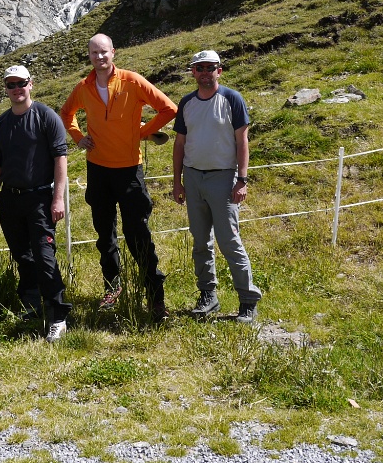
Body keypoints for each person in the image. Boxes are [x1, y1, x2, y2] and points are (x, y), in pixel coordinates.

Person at [60, 33, 177, 320]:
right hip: (98, 169)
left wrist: (142, 132)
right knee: (105, 236)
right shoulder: (83, 87)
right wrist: (78, 137)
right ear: (89, 56)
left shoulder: (132, 81)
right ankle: (112, 290)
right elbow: (66, 113)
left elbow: (169, 109)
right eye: (94, 53)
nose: (99, 57)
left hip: (129, 170)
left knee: (139, 234)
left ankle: (155, 298)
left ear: (113, 52)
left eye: (104, 52)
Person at [171, 50, 262, 324]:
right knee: (200, 241)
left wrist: (242, 179)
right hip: (193, 178)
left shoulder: (232, 99)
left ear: (219, 71)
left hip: (224, 178)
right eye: (199, 68)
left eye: (210, 67)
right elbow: (179, 144)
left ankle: (247, 300)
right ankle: (207, 295)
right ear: (193, 72)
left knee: (229, 241)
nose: (204, 73)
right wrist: (177, 182)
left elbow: (242, 141)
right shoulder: (187, 102)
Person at [0, 65, 72, 343]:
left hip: (40, 198)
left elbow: (60, 159)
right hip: (10, 199)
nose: (16, 89)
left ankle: (57, 316)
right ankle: (32, 307)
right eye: (10, 85)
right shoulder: (1, 123)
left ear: (30, 84)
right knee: (23, 257)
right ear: (6, 89)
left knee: (45, 257)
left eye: (20, 83)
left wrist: (58, 199)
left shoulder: (46, 116)